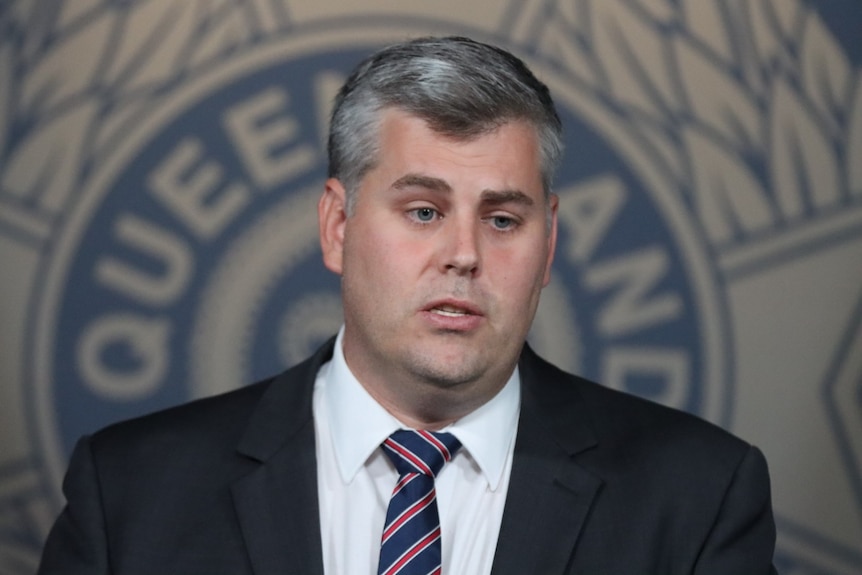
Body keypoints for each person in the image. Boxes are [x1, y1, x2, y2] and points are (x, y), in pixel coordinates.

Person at [38, 36, 778, 574]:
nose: (463, 252)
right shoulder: (132, 491)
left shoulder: (697, 494)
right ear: (337, 226)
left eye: (503, 219)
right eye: (423, 210)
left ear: (548, 246)